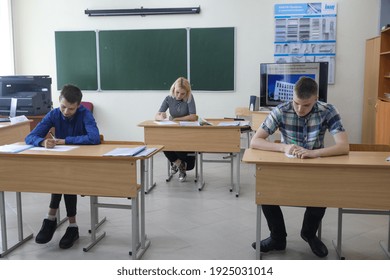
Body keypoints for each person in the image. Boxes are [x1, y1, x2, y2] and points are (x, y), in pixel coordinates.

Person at [250, 76, 349, 258]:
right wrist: (284, 147)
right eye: (296, 103)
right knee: (264, 190)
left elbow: (343, 146)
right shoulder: (281, 110)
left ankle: (309, 234)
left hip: (314, 169)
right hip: (287, 167)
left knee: (322, 195)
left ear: (315, 99)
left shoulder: (327, 110)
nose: (299, 109)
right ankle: (277, 238)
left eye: (306, 105)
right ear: (292, 97)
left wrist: (314, 153)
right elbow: (255, 141)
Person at [25, 84, 101, 249]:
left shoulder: (85, 114)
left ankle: (51, 218)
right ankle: (70, 225)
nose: (66, 112)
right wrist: (42, 141)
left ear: (78, 106)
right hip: (64, 163)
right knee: (62, 175)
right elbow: (30, 137)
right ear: (59, 102)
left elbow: (94, 138)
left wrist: (65, 140)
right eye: (63, 107)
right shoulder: (54, 114)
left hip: (83, 163)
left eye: (71, 109)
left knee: (65, 177)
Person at [155, 77, 197, 182]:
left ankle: (177, 164)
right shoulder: (169, 98)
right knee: (164, 144)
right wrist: (161, 116)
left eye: (182, 94)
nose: (179, 96)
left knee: (180, 148)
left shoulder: (189, 98)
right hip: (173, 131)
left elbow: (193, 116)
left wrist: (177, 118)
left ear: (187, 93)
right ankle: (179, 164)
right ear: (173, 89)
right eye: (177, 92)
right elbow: (157, 115)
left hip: (187, 132)